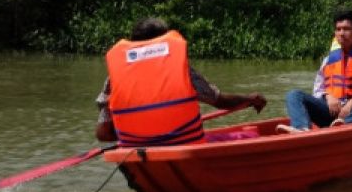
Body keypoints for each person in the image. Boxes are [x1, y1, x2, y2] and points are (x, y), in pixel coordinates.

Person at [95, 17, 266, 145]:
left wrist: (142, 136)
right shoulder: (182, 70)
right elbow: (219, 101)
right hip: (184, 143)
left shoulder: (113, 79)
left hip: (136, 149)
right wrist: (250, 99)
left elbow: (103, 134)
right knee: (252, 135)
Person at [278, 10, 352, 133]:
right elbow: (317, 91)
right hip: (333, 114)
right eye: (338, 29)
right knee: (294, 95)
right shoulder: (328, 60)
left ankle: (345, 125)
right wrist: (328, 96)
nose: (341, 33)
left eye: (347, 29)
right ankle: (301, 129)